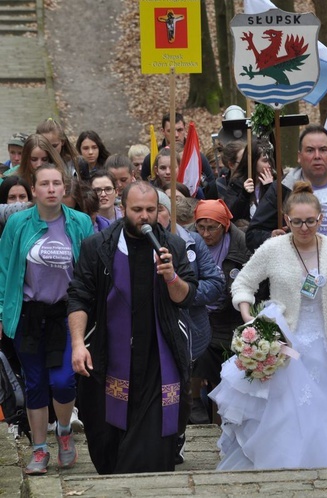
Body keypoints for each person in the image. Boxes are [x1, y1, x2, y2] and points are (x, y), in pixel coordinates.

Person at [212, 181, 327, 470]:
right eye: (297, 222)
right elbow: (244, 283)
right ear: (286, 220)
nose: (305, 228)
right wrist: (250, 319)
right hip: (285, 344)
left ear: (321, 218)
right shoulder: (273, 248)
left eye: (311, 221)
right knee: (287, 414)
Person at [67, 181, 198, 474]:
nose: (144, 216)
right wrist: (77, 344)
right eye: (137, 210)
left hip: (158, 358)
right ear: (122, 208)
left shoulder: (172, 246)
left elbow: (186, 297)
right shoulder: (98, 246)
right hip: (109, 355)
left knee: (152, 445)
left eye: (151, 210)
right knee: (107, 438)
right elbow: (79, 296)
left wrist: (171, 277)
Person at [0, 163, 93, 475]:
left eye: (57, 184)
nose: (51, 189)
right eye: (45, 184)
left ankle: (64, 432)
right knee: (36, 384)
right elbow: (4, 270)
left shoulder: (80, 223)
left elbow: (90, 271)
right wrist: (1, 311)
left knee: (63, 381)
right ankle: (39, 450)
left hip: (67, 315)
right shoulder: (18, 224)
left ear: (64, 189)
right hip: (28, 314)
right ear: (34, 190)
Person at [246, 124, 327, 285]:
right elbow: (252, 234)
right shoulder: (282, 189)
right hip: (297, 286)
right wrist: (270, 237)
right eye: (310, 150)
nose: (317, 156)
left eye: (323, 149)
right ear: (299, 157)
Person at [155, 190, 224, 457]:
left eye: (159, 209)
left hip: (187, 327)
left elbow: (215, 283)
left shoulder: (192, 242)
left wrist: (186, 293)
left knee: (180, 385)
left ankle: (177, 435)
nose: (152, 215)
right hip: (149, 328)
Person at [191, 199, 250, 425]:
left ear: (224, 226)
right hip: (199, 313)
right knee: (198, 356)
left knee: (225, 374)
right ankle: (196, 404)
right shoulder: (189, 243)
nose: (205, 234)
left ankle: (224, 420)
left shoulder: (240, 244)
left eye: (211, 227)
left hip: (228, 318)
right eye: (201, 226)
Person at [139, 113, 217, 199]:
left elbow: (211, 188)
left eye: (180, 130)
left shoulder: (197, 158)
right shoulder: (151, 159)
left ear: (185, 130)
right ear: (163, 131)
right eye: (171, 131)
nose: (176, 135)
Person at [217, 138, 274, 223]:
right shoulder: (237, 183)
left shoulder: (275, 181)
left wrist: (269, 189)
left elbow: (276, 214)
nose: (269, 165)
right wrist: (244, 195)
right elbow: (231, 216)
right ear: (253, 161)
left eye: (271, 160)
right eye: (265, 161)